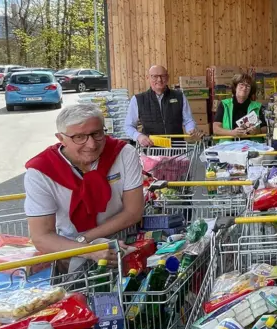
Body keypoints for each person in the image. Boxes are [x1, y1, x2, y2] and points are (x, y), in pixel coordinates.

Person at [25, 104, 145, 263]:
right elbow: (41, 237)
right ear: (61, 138)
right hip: (67, 250)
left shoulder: (123, 153)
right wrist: (88, 250)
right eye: (79, 137)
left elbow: (133, 212)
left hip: (120, 242)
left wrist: (84, 240)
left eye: (97, 133)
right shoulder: (40, 171)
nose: (92, 144)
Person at [124, 65, 202, 147]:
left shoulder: (179, 96)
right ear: (148, 78)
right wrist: (139, 136)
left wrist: (191, 129)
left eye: (162, 76)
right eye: (155, 76)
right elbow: (128, 126)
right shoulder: (138, 99)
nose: (159, 80)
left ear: (167, 77)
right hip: (151, 151)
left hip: (177, 149)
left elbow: (188, 120)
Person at [213, 73, 267, 138]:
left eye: (248, 86)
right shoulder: (224, 104)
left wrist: (257, 131)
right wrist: (232, 133)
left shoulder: (258, 106)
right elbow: (215, 129)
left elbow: (265, 129)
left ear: (251, 90)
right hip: (229, 146)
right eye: (241, 84)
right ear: (235, 87)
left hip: (252, 146)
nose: (244, 88)